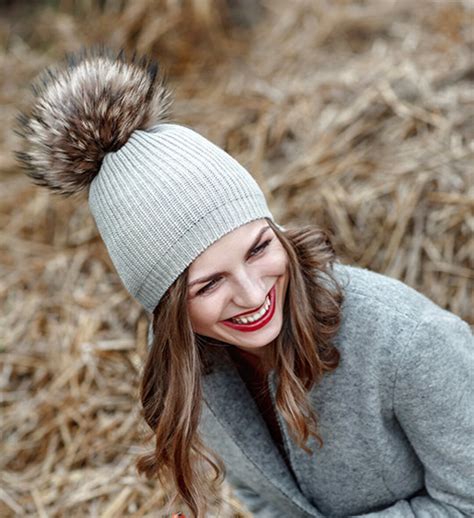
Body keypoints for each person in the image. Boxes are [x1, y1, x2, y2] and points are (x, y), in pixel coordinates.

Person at [16, 48, 473, 518]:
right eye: (209, 285)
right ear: (168, 311)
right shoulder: (191, 360)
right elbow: (266, 498)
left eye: (259, 249)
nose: (255, 295)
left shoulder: (411, 343)